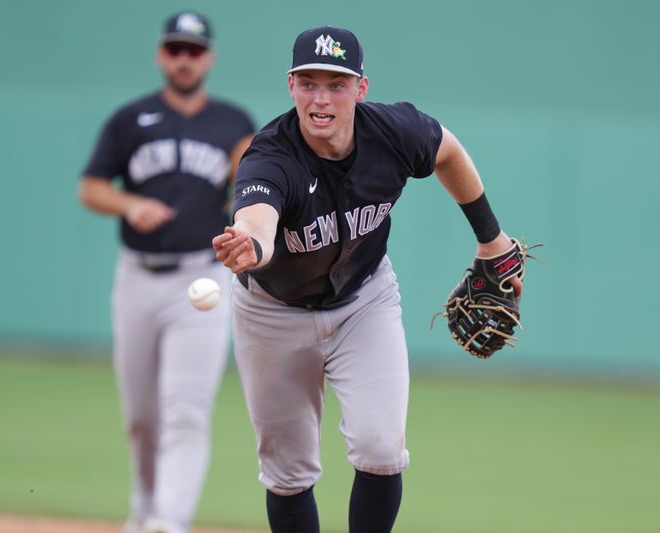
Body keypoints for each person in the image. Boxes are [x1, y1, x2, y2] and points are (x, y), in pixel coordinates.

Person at [212, 25, 522, 532]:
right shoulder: (271, 156)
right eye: (309, 82)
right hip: (274, 312)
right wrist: (253, 243)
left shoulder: (395, 132)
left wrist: (491, 237)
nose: (321, 98)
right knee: (288, 472)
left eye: (336, 83)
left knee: (381, 448)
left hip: (364, 299)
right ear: (290, 86)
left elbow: (447, 149)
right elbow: (257, 215)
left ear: (361, 87)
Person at [78, 11, 254, 533]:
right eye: (176, 49)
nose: (184, 58)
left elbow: (250, 187)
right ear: (161, 55)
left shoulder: (233, 123)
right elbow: (91, 187)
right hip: (136, 277)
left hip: (200, 277)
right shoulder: (130, 119)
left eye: (194, 50)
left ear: (210, 58)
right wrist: (129, 205)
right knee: (141, 416)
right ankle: (144, 509)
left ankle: (168, 522)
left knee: (186, 409)